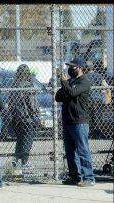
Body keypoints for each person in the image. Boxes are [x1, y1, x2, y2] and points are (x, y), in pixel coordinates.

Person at [55, 57, 95, 187]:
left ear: (80, 67)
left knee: (83, 150)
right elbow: (58, 96)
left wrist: (65, 83)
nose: (70, 69)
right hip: (68, 120)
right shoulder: (71, 81)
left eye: (73, 67)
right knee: (70, 151)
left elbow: (72, 93)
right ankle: (75, 177)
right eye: (70, 66)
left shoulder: (85, 82)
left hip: (79, 121)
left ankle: (89, 178)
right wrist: (66, 84)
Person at [8, 64, 40, 168]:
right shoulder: (28, 85)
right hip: (27, 117)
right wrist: (36, 113)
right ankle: (24, 162)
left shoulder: (14, 85)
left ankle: (16, 159)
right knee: (28, 139)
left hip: (17, 117)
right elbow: (32, 103)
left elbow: (10, 103)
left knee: (20, 139)